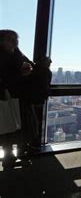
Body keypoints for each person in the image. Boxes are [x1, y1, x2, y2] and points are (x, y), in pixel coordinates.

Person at [0, 30, 33, 169]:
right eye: (11, 39)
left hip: (16, 98)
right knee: (11, 129)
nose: (15, 41)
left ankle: (12, 157)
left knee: (13, 129)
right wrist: (22, 74)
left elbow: (30, 65)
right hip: (8, 98)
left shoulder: (16, 54)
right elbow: (5, 80)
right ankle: (11, 157)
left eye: (15, 39)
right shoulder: (7, 56)